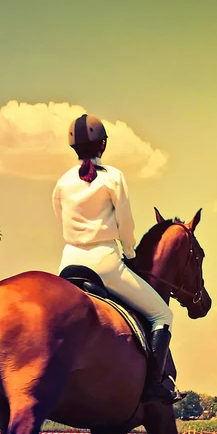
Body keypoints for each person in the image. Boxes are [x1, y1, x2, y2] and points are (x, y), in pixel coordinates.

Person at [52, 114, 174, 403]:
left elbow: (61, 219)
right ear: (103, 144)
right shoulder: (112, 177)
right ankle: (152, 387)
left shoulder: (61, 183)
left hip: (68, 264)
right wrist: (130, 253)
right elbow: (126, 224)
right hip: (105, 263)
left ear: (73, 147)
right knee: (162, 315)